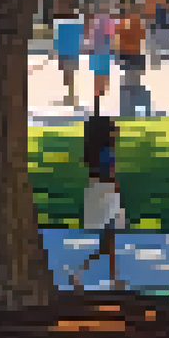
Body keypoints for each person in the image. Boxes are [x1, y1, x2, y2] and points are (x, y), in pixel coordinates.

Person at [68, 114, 126, 290]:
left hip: (97, 192)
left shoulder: (95, 152)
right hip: (106, 193)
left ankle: (81, 274)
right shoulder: (107, 152)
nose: (116, 132)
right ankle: (112, 280)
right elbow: (108, 174)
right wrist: (116, 186)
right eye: (113, 129)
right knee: (109, 241)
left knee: (107, 244)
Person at [53, 0, 84, 106]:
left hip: (70, 50)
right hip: (67, 50)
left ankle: (71, 95)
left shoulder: (74, 18)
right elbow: (57, 36)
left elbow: (79, 34)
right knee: (67, 73)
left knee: (69, 73)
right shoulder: (61, 19)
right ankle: (70, 94)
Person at [86, 4, 115, 116]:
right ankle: (99, 94)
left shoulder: (95, 21)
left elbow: (90, 36)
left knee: (98, 75)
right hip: (102, 52)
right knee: (103, 75)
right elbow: (111, 37)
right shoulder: (107, 21)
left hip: (96, 52)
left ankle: (97, 94)